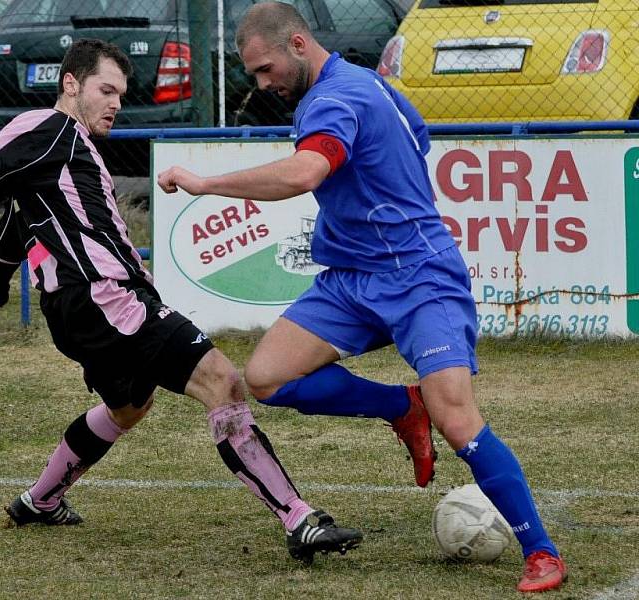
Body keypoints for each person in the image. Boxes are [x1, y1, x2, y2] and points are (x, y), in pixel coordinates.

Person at [0, 38, 363, 565]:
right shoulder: (47, 128)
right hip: (105, 296)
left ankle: (40, 500)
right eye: (105, 90)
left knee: (128, 406)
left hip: (81, 306)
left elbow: (17, 217)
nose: (115, 104)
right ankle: (298, 519)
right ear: (70, 84)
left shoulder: (66, 150)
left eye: (121, 94)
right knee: (223, 380)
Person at [157, 2, 566, 593]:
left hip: (419, 275)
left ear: (298, 44)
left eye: (265, 69)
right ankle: (402, 407)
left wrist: (207, 184)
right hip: (351, 279)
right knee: (267, 378)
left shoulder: (332, 100)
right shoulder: (368, 81)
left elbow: (303, 174)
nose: (262, 84)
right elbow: (416, 140)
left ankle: (542, 551)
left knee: (457, 420)